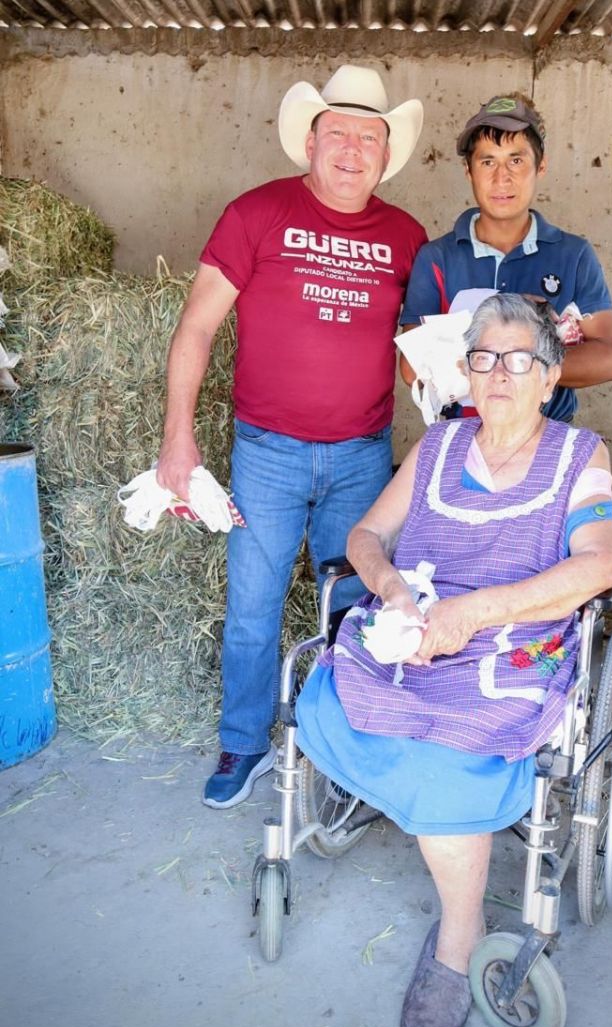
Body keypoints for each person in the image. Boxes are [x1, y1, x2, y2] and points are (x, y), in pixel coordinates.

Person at [295, 293, 612, 1027]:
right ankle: (427, 809)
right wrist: (391, 588)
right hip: (415, 632)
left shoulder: (580, 456)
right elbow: (367, 534)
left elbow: (598, 567)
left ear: (550, 377)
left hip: (509, 646)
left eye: (518, 360)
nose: (499, 375)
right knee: (343, 693)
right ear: (466, 374)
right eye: (483, 359)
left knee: (447, 756)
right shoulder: (438, 448)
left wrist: (475, 611)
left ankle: (455, 942)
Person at [155, 65, 427, 809]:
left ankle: (347, 754)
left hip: (362, 457)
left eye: (368, 137)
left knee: (355, 612)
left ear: (385, 152)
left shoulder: (407, 237)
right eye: (337, 133)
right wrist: (178, 438)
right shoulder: (257, 214)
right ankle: (243, 744)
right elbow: (197, 326)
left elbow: (421, 350)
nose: (351, 149)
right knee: (254, 606)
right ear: (309, 140)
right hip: (267, 453)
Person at [399, 93, 612, 423]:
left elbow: (611, 357)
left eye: (516, 161)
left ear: (541, 166)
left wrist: (514, 361)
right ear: (468, 171)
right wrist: (527, 355)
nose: (501, 178)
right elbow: (412, 368)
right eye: (487, 162)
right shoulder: (437, 258)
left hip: (547, 439)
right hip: (462, 437)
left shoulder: (573, 255)